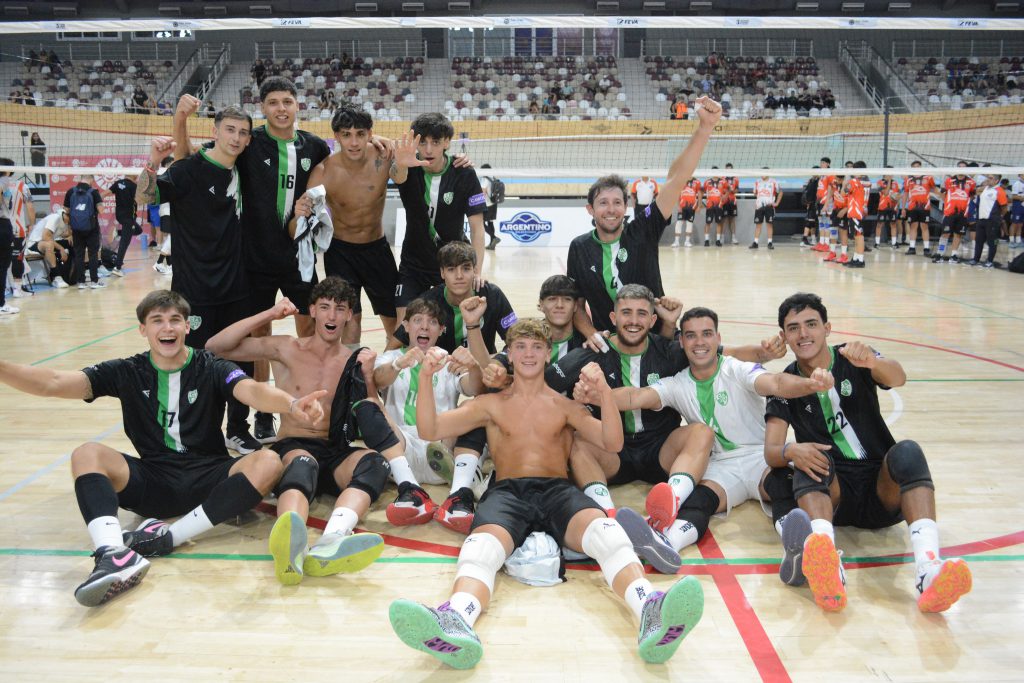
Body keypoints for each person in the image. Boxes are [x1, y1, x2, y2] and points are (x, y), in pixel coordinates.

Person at [388, 321, 705, 669]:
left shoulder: (565, 406)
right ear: (509, 354)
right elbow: (429, 429)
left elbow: (613, 442)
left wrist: (603, 392)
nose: (528, 354)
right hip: (507, 492)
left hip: (557, 490)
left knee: (607, 532)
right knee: (480, 549)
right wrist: (425, 377)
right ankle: (457, 618)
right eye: (520, 347)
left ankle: (649, 608)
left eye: (536, 347)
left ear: (548, 353)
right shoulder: (489, 404)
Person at [0, 289, 326, 606]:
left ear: (187, 326)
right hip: (153, 481)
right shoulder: (127, 370)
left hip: (209, 480)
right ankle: (113, 554)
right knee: (87, 454)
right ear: (143, 329)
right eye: (157, 320)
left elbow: (252, 390)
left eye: (174, 320)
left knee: (268, 461)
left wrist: (291, 404)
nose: (167, 328)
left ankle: (170, 537)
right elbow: (53, 382)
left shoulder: (211, 366)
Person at [764, 293, 972, 613]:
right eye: (793, 328)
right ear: (785, 336)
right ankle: (829, 568)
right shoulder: (785, 384)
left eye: (811, 324)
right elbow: (772, 452)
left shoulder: (854, 357)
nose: (803, 333)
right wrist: (792, 449)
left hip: (881, 490)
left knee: (907, 451)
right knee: (807, 461)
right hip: (834, 496)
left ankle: (929, 571)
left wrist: (874, 361)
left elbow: (899, 377)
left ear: (827, 328)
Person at [575, 306, 833, 557]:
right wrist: (599, 395)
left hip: (759, 459)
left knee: (782, 487)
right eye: (691, 335)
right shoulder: (677, 383)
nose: (699, 342)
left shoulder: (737, 369)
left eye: (707, 334)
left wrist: (809, 384)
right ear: (681, 342)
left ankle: (801, 549)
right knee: (698, 501)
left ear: (718, 339)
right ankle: (667, 544)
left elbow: (776, 382)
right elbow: (636, 396)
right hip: (719, 466)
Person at [206, 277, 405, 586]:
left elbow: (372, 406)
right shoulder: (286, 347)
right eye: (324, 307)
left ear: (349, 315)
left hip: (335, 450)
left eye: (340, 309)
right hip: (294, 446)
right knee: (302, 464)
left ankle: (332, 540)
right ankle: (291, 547)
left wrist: (371, 375)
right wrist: (270, 314)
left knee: (375, 463)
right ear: (312, 311)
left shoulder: (354, 359)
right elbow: (215, 347)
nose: (332, 315)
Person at [173, 79, 333, 444]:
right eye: (273, 102)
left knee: (309, 332)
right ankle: (263, 413)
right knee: (259, 337)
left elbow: (341, 163)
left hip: (299, 257)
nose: (281, 108)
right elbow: (190, 161)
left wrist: (381, 142)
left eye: (287, 101)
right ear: (263, 107)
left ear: (297, 105)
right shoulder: (248, 141)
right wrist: (180, 120)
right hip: (253, 258)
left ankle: (314, 407)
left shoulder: (314, 146)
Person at [546, 285, 785, 526]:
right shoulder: (592, 351)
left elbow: (724, 352)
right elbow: (544, 387)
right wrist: (575, 400)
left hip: (661, 451)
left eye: (641, 314)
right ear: (613, 317)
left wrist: (765, 353)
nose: (633, 321)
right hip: (612, 452)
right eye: (626, 312)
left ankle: (671, 501)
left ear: (652, 320)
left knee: (702, 432)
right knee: (578, 439)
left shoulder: (670, 351)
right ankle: (605, 514)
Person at [137, 107, 258, 454]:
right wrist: (153, 161)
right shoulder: (187, 170)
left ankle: (238, 428)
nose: (236, 137)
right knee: (196, 364)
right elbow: (144, 197)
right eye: (230, 130)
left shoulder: (244, 170)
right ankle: (201, 433)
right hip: (195, 290)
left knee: (241, 360)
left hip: (236, 287)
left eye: (242, 132)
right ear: (215, 132)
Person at [567, 97, 721, 344]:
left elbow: (676, 179)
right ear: (590, 209)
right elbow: (576, 304)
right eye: (603, 203)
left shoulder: (643, 230)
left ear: (626, 206)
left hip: (656, 341)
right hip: (610, 346)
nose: (611, 209)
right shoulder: (579, 247)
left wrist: (705, 128)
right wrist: (591, 334)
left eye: (617, 202)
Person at [298, 103, 417, 344]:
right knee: (350, 321)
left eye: (360, 134)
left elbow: (400, 176)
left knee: (393, 321)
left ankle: (394, 366)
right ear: (336, 136)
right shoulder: (324, 171)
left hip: (377, 250)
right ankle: (352, 367)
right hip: (340, 253)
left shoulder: (384, 156)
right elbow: (303, 218)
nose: (353, 142)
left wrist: (402, 164)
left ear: (370, 134)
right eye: (346, 135)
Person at [373, 298, 485, 533]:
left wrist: (474, 367)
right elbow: (376, 380)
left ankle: (457, 491)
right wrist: (398, 365)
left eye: (432, 322)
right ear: (405, 326)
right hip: (403, 450)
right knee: (370, 406)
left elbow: (474, 388)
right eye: (417, 320)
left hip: (442, 447)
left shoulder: (448, 360)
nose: (424, 326)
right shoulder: (390, 358)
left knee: (478, 406)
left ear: (441, 330)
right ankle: (416, 488)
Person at [394, 112, 486, 324]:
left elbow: (477, 228)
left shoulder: (463, 173)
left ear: (446, 142)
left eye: (435, 142)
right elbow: (397, 176)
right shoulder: (408, 167)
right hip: (413, 265)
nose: (428, 150)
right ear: (415, 143)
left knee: (451, 325)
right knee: (403, 326)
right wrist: (402, 164)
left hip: (453, 265)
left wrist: (477, 271)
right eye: (422, 142)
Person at [64, 173, 104, 290]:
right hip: (92, 228)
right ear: (91, 179)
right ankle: (94, 281)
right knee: (93, 254)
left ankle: (81, 282)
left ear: (81, 178)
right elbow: (101, 210)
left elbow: (66, 211)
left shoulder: (70, 191)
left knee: (79, 255)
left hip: (76, 228)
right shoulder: (94, 192)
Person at [933, 161, 975, 264]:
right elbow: (942, 194)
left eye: (963, 167)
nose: (961, 169)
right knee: (945, 234)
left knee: (958, 235)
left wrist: (964, 204)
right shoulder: (949, 180)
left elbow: (972, 196)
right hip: (950, 213)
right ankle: (940, 254)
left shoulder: (971, 182)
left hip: (963, 214)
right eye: (959, 167)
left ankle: (954, 255)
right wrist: (948, 203)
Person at [26, 207, 72, 288]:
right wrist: (61, 249)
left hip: (45, 241)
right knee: (49, 245)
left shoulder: (65, 222)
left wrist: (71, 236)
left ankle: (71, 275)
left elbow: (66, 234)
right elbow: (45, 237)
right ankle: (57, 277)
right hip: (34, 243)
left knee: (70, 243)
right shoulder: (55, 217)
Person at [969, 174, 1008, 268]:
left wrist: (999, 217)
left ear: (997, 180)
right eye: (988, 178)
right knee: (979, 241)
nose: (988, 179)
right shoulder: (985, 188)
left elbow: (1004, 208)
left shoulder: (1000, 191)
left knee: (992, 242)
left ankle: (990, 261)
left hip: (992, 220)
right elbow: (975, 191)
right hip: (981, 219)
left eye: (990, 178)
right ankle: (976, 259)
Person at [901, 161, 937, 256]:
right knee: (913, 226)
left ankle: (926, 249)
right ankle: (912, 248)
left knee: (924, 227)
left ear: (921, 167)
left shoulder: (928, 177)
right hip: (912, 207)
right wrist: (903, 208)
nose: (916, 168)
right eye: (914, 167)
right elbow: (905, 194)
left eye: (918, 166)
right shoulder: (908, 179)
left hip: (925, 207)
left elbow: (934, 189)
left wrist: (943, 197)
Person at [107, 176, 138, 277]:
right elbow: (139, 200)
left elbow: (105, 193)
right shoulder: (133, 186)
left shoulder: (118, 183)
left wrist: (96, 202)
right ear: (134, 176)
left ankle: (118, 232)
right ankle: (117, 267)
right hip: (128, 217)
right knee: (125, 242)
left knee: (138, 230)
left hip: (120, 215)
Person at [750, 169, 781, 250]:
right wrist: (760, 200)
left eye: (764, 173)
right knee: (758, 225)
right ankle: (755, 242)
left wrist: (776, 203)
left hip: (769, 206)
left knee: (769, 225)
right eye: (761, 173)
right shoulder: (757, 182)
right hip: (759, 207)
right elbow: (755, 193)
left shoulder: (773, 181)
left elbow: (780, 192)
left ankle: (770, 243)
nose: (762, 175)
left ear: (768, 173)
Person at [671, 177, 702, 248]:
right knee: (679, 223)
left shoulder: (697, 182)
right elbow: (678, 194)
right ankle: (676, 241)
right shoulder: (682, 180)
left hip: (692, 207)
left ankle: (687, 242)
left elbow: (699, 194)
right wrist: (678, 206)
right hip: (682, 206)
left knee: (689, 223)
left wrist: (699, 206)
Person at [478, 164, 502, 250]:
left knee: (481, 223)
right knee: (490, 222)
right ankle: (492, 244)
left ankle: (494, 237)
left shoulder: (485, 179)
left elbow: (483, 192)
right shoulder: (493, 178)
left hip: (487, 204)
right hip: (494, 203)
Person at [875, 172, 901, 249]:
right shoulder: (880, 182)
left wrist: (897, 199)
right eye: (888, 174)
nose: (890, 175)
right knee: (879, 224)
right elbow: (886, 193)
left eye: (891, 174)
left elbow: (898, 195)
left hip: (892, 207)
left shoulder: (895, 183)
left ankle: (894, 243)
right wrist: (889, 181)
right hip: (882, 207)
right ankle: (877, 243)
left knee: (893, 224)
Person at [720, 163, 740, 245]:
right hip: (725, 200)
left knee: (732, 219)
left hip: (732, 201)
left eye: (730, 169)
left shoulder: (736, 179)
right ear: (725, 169)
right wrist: (727, 191)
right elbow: (721, 189)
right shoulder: (722, 178)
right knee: (723, 219)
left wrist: (732, 191)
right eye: (727, 169)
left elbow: (737, 189)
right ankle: (721, 238)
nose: (729, 170)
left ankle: (734, 238)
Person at [1010, 173, 1024, 249]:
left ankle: (1018, 241)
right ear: (1019, 175)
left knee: (1020, 224)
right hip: (1017, 205)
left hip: (1022, 206)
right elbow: (1014, 196)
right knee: (1014, 223)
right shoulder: (1017, 184)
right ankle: (1011, 241)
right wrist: (1021, 198)